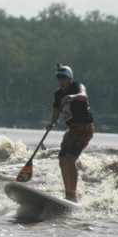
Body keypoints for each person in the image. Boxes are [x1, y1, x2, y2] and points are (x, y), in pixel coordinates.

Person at [47, 64, 94, 202]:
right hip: (72, 129)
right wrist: (52, 123)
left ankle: (73, 195)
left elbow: (83, 96)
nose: (61, 81)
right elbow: (56, 111)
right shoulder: (58, 94)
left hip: (85, 127)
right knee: (62, 160)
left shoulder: (77, 87)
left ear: (69, 79)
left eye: (63, 78)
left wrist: (72, 97)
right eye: (59, 78)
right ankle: (68, 193)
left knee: (70, 159)